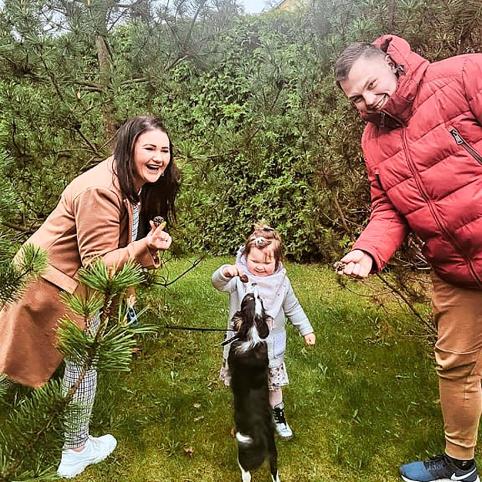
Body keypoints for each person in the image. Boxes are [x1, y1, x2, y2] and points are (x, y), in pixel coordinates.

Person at [334, 34, 482, 482]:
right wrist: (367, 250)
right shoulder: (372, 141)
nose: (368, 102)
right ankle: (460, 467)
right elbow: (388, 208)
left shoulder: (463, 75)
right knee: (455, 365)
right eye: (356, 99)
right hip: (455, 271)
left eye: (372, 86)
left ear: (392, 66)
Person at [0, 115, 179, 478]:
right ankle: (76, 450)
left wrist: (146, 245)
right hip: (51, 284)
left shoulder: (127, 179)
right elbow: (97, 265)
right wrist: (143, 245)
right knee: (77, 361)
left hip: (63, 281)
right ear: (129, 147)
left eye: (165, 150)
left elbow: (117, 244)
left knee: (33, 356)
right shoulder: (100, 189)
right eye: (150, 148)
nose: (159, 157)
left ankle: (75, 444)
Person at [212, 222, 316, 440]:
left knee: (273, 385)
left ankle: (277, 414)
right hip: (243, 349)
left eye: (267, 262)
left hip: (270, 350)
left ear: (277, 261)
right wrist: (225, 272)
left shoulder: (282, 283)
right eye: (254, 261)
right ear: (245, 257)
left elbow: (293, 308)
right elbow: (218, 284)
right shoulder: (239, 278)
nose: (260, 267)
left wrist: (306, 329)